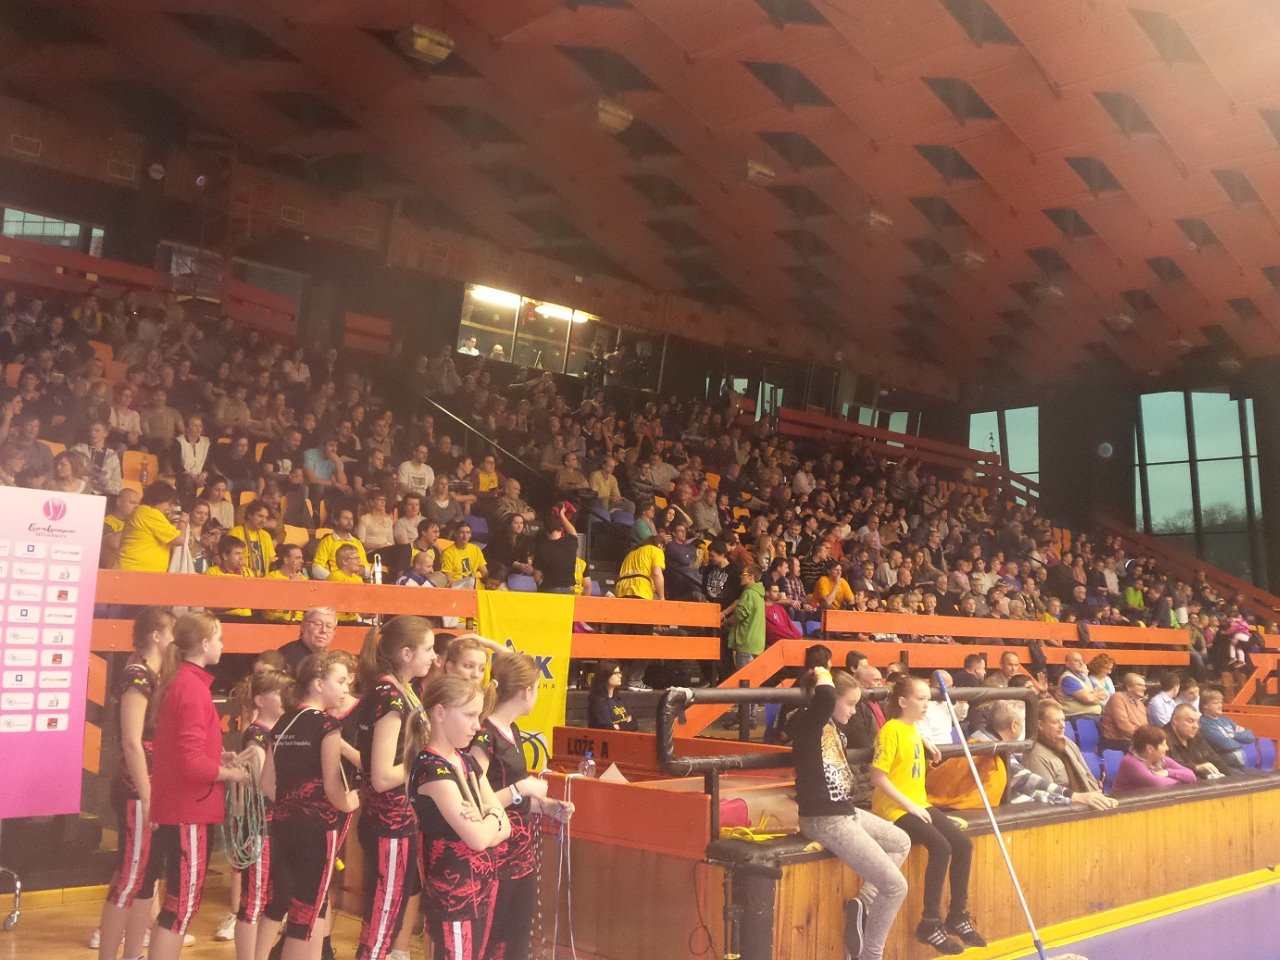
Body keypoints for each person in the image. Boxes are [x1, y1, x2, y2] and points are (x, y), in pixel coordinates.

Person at [792, 646, 909, 960]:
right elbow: (825, 697)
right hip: (826, 819)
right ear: (830, 699)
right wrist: (821, 670)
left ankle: (864, 904)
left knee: (901, 841)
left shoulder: (829, 725)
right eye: (851, 703)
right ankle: (870, 956)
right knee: (896, 887)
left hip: (845, 811)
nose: (855, 711)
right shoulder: (807, 722)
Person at [147, 613, 249, 960]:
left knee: (180, 904)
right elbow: (190, 764)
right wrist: (231, 775)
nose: (222, 645)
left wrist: (218, 758)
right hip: (187, 810)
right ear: (204, 644)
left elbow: (183, 751)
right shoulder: (190, 687)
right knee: (182, 906)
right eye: (218, 638)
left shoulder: (184, 682)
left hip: (182, 806)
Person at [257, 652, 361, 960]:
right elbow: (332, 784)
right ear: (318, 684)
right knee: (306, 912)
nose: (346, 689)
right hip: (317, 831)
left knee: (281, 903)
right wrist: (348, 802)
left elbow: (266, 783)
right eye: (339, 681)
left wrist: (293, 805)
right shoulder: (327, 724)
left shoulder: (283, 721)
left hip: (283, 826)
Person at [471, 652, 574, 960]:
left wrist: (547, 806)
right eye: (538, 688)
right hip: (495, 854)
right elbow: (476, 798)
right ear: (526, 691)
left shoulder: (512, 730)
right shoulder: (484, 736)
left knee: (517, 940)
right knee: (489, 939)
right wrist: (522, 789)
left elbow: (515, 795)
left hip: (520, 852)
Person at [871, 675, 984, 954]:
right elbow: (877, 776)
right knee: (941, 846)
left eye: (928, 699)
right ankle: (930, 922)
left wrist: (924, 741)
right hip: (895, 808)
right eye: (920, 699)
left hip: (918, 802)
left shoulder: (912, 728)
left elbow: (909, 736)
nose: (926, 704)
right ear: (902, 701)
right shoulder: (890, 731)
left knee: (963, 844)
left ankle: (957, 914)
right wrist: (909, 806)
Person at [353, 617, 439, 960]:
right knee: (383, 917)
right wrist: (426, 762)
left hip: (401, 820)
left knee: (389, 915)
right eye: (428, 649)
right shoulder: (388, 696)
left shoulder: (404, 690)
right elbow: (382, 775)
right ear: (406, 653)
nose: (433, 657)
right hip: (388, 823)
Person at [96, 608, 177, 960]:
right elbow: (132, 741)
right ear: (155, 636)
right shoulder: (137, 675)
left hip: (157, 787)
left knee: (147, 879)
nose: (176, 639)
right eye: (172, 632)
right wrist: (147, 796)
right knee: (131, 877)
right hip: (138, 789)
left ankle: (133, 954)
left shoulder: (159, 674)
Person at [411, 676, 511, 960]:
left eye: (478, 717)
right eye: (469, 715)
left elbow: (506, 826)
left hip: (481, 892)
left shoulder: (466, 761)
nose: (477, 726)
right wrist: (492, 815)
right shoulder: (431, 769)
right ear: (440, 713)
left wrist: (488, 816)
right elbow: (478, 838)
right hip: (453, 899)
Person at [926, 700, 1114, 811]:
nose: (1029, 727)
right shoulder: (988, 748)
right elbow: (1027, 782)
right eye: (1026, 722)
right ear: (1014, 725)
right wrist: (1073, 797)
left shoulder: (991, 742)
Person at [225, 666, 292, 960]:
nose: (286, 699)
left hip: (275, 824)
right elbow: (265, 784)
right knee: (253, 899)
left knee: (275, 896)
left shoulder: (277, 732)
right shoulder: (257, 734)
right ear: (261, 700)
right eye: (280, 693)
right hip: (259, 826)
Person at [1023, 701, 1105, 795]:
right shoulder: (1035, 756)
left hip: (1089, 799)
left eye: (1063, 720)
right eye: (1055, 722)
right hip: (1068, 803)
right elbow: (1046, 797)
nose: (1062, 725)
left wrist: (1096, 793)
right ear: (1040, 725)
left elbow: (1087, 774)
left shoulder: (1068, 743)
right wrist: (1084, 798)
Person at [116, 482, 188, 572]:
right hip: (135, 572)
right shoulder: (150, 513)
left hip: (135, 572)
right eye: (168, 504)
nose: (169, 508)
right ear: (160, 499)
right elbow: (179, 540)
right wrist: (183, 522)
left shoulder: (142, 511)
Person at [1111, 725, 1197, 795]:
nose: (1167, 748)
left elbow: (1191, 776)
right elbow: (1159, 784)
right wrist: (1182, 780)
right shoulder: (1131, 762)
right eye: (1163, 745)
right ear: (1150, 749)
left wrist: (1168, 772)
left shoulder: (1161, 759)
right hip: (1123, 806)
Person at [1164, 704, 1228, 777]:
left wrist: (1232, 777)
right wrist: (1196, 768)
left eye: (1197, 722)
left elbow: (1214, 759)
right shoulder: (1162, 739)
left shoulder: (1196, 736)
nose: (1196, 726)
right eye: (1190, 721)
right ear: (1175, 720)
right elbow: (1167, 766)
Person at [1199, 689, 1256, 769]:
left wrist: (1233, 735)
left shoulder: (1225, 720)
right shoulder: (1204, 723)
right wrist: (1242, 742)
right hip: (1224, 766)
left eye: (1220, 703)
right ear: (1205, 705)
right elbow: (1225, 744)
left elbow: (1250, 736)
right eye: (1215, 703)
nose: (1220, 706)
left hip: (1241, 764)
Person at [277, 608, 338, 676]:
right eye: (318, 624)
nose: (323, 630)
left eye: (329, 626)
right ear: (303, 627)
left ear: (334, 632)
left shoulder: (331, 660)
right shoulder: (285, 656)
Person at [229, 501, 278, 579]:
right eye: (260, 516)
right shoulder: (235, 532)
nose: (263, 520)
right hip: (241, 579)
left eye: (266, 517)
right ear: (249, 515)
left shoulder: (266, 535)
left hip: (263, 580)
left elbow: (271, 560)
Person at [1100, 672, 1148, 752]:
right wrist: (1142, 739)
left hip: (1135, 741)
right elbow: (1123, 724)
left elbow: (1144, 726)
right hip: (1116, 742)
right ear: (1128, 687)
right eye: (1139, 685)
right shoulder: (1118, 697)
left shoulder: (1141, 704)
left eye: (1144, 685)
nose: (1144, 688)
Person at [586, 660, 637, 731]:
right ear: (605, 675)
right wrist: (627, 724)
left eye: (619, 672)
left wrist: (618, 727)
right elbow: (608, 728)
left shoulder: (618, 699)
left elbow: (634, 723)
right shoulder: (599, 702)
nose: (620, 676)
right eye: (616, 673)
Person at [1055, 651, 1105, 718]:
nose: (1081, 663)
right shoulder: (1068, 679)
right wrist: (1096, 698)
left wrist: (1092, 697)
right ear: (1067, 664)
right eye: (1076, 661)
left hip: (1093, 716)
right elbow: (1088, 699)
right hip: (1078, 717)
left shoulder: (1084, 677)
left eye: (1082, 661)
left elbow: (1104, 693)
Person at [440, 521, 487, 587]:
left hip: (472, 585)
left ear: (470, 535)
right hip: (456, 586)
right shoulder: (448, 553)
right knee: (471, 580)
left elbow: (484, 572)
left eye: (468, 533)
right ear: (455, 534)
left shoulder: (476, 549)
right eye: (462, 532)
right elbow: (448, 579)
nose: (465, 536)